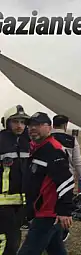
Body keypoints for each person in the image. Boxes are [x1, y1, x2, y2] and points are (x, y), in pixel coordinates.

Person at [17, 112, 74, 255]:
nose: (32, 128)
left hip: (47, 213)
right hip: (42, 212)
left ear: (49, 128)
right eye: (30, 125)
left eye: (37, 125)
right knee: (56, 250)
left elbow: (66, 180)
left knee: (28, 251)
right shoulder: (36, 147)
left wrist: (64, 211)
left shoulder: (53, 150)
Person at [0, 105, 31, 255]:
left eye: (23, 122)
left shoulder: (28, 143)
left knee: (14, 239)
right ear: (7, 122)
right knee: (6, 241)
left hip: (21, 202)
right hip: (2, 202)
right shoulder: (1, 141)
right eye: (15, 121)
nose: (20, 126)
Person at [51, 114, 81, 242]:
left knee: (50, 204)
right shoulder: (71, 140)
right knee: (64, 205)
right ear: (66, 125)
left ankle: (51, 229)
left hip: (49, 178)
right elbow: (77, 161)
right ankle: (63, 232)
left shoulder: (48, 138)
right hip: (67, 179)